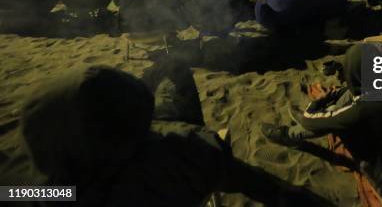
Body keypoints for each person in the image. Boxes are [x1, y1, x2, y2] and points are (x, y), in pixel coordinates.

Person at [8, 64, 331, 206]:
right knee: (173, 70)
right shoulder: (177, 159)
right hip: (157, 143)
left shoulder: (24, 185)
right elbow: (256, 183)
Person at [261, 44, 382, 206]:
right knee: (347, 111)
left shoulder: (365, 110)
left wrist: (318, 104)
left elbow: (310, 119)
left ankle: (290, 136)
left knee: (342, 125)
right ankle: (315, 122)